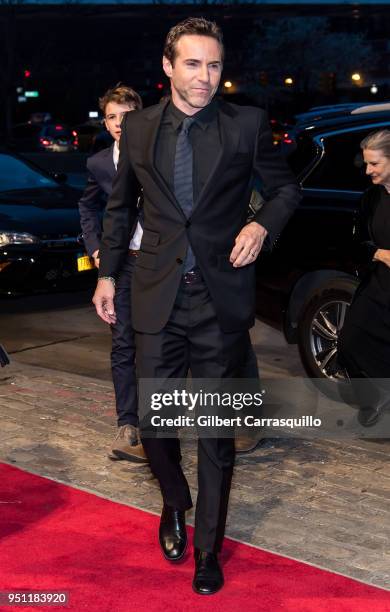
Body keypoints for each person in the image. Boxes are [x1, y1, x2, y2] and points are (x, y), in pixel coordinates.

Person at [93, 17, 301, 594]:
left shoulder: (246, 125)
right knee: (156, 423)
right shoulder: (136, 128)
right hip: (155, 293)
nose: (205, 77)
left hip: (219, 298)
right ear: (167, 66)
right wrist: (107, 274)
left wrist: (262, 225)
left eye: (214, 65)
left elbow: (286, 189)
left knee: (213, 430)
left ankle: (209, 547)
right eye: (193, 64)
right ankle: (173, 498)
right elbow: (120, 208)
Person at [78, 84, 148, 463]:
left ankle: (161, 419)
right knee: (123, 344)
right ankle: (128, 424)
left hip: (157, 263)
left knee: (160, 342)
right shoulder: (99, 163)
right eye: (112, 117)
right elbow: (88, 208)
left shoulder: (158, 154)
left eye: (127, 115)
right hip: (119, 265)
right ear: (105, 123)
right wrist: (95, 249)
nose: (120, 123)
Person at [338, 129, 390, 427]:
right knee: (349, 342)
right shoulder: (371, 199)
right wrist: (379, 254)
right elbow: (355, 244)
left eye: (375, 164)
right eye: (367, 163)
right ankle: (370, 399)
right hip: (378, 285)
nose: (368, 170)